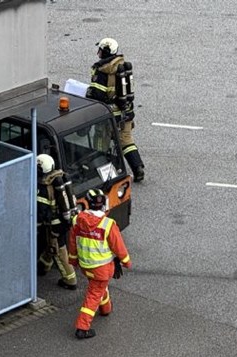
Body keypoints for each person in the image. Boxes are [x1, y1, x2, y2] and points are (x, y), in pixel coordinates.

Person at [68, 189, 131, 339]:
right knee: (93, 294)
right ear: (103, 204)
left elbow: (72, 242)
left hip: (86, 266)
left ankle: (106, 309)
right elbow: (118, 246)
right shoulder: (107, 225)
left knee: (98, 287)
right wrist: (126, 261)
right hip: (101, 269)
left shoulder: (77, 220)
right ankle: (82, 327)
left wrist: (73, 260)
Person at [86, 37, 146, 182]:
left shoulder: (102, 71)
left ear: (105, 52)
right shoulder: (122, 65)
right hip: (126, 112)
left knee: (101, 144)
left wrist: (89, 92)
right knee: (126, 141)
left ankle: (104, 175)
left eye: (99, 50)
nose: (97, 53)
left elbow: (98, 95)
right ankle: (138, 168)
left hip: (109, 114)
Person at [36, 154, 77, 290]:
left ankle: (70, 280)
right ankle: (43, 266)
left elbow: (42, 211)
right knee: (50, 244)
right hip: (63, 222)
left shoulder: (44, 187)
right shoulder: (59, 178)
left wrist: (36, 224)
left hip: (53, 225)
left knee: (58, 249)